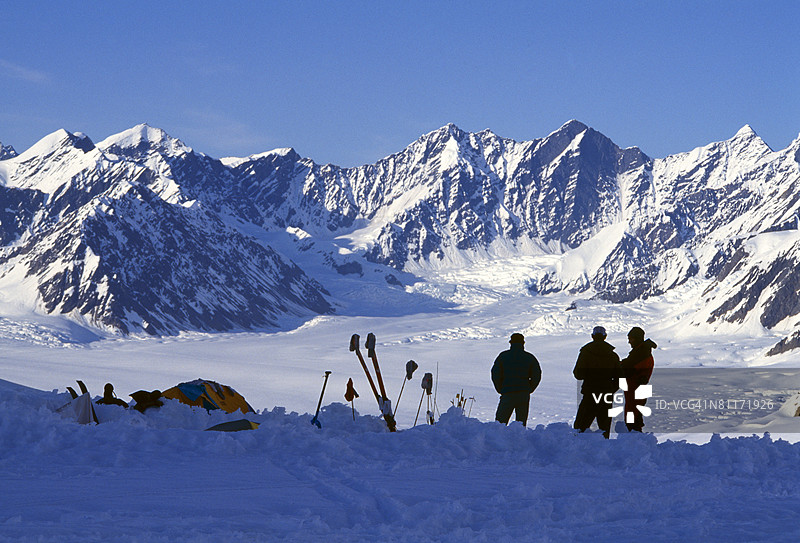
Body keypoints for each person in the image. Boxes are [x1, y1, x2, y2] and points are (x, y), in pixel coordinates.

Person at [572, 326, 622, 438]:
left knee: (580, 426)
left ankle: (578, 450)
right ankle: (603, 451)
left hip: (590, 393)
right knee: (604, 429)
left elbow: (578, 374)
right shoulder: (613, 355)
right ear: (605, 337)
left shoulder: (585, 353)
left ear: (592, 336)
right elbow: (620, 378)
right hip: (606, 395)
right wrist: (610, 389)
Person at [491, 333, 542, 426]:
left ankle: (499, 439)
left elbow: (495, 374)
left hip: (507, 393)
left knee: (500, 423)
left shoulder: (503, 356)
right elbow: (537, 375)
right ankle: (519, 440)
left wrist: (500, 388)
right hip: (523, 393)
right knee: (520, 424)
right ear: (523, 343)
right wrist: (529, 388)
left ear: (510, 343)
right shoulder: (529, 357)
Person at [620, 326, 656, 432]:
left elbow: (628, 369)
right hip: (637, 389)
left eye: (631, 339)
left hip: (635, 389)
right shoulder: (641, 352)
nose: (629, 342)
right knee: (634, 415)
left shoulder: (641, 354)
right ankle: (636, 441)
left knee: (633, 418)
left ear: (637, 338)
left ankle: (635, 441)